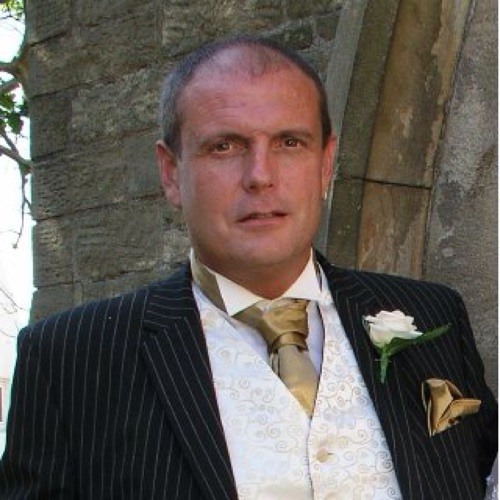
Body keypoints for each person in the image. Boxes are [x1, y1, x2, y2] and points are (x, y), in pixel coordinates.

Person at [0, 35, 496, 500]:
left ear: (325, 163)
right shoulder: (72, 359)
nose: (260, 176)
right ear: (171, 172)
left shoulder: (434, 315)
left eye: (289, 143)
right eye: (225, 146)